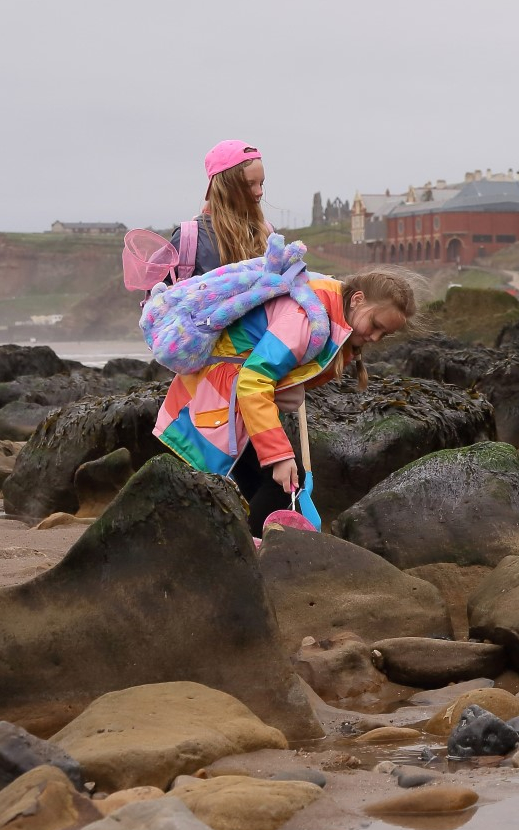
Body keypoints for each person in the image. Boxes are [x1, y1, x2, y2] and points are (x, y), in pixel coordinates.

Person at [154, 267, 419, 535]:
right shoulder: (304, 318)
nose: (375, 338)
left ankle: (244, 547)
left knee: (259, 486)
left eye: (384, 335)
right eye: (375, 325)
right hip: (215, 399)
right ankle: (244, 553)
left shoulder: (329, 312)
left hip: (228, 402)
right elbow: (253, 381)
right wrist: (278, 456)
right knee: (283, 480)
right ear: (357, 299)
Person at [168, 140, 272, 277]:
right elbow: (157, 292)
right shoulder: (188, 239)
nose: (260, 192)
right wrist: (169, 292)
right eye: (249, 184)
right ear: (225, 187)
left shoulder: (267, 233)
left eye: (261, 183)